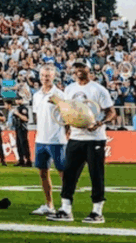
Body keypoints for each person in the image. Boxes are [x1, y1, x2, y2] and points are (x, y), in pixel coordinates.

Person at [48, 61, 116, 224]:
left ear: (88, 70)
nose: (78, 71)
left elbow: (111, 112)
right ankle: (65, 209)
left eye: (82, 68)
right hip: (76, 137)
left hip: (95, 139)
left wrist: (100, 122)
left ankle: (97, 212)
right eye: (76, 68)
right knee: (69, 174)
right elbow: (67, 110)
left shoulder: (98, 89)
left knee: (96, 174)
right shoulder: (70, 89)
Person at [30, 64, 67, 216]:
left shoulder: (60, 95)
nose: (45, 78)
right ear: (40, 77)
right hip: (41, 139)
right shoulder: (36, 95)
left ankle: (65, 206)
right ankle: (49, 205)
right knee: (43, 173)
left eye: (48, 76)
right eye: (43, 75)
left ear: (53, 77)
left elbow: (68, 115)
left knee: (63, 174)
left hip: (57, 140)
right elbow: (38, 115)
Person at [10, 99, 32, 167]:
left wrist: (18, 114)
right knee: (19, 144)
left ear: (22, 100)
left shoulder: (24, 108)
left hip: (23, 128)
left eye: (19, 99)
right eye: (16, 99)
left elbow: (25, 118)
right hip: (17, 128)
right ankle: (21, 160)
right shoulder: (16, 108)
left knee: (24, 144)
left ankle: (28, 161)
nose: (17, 101)